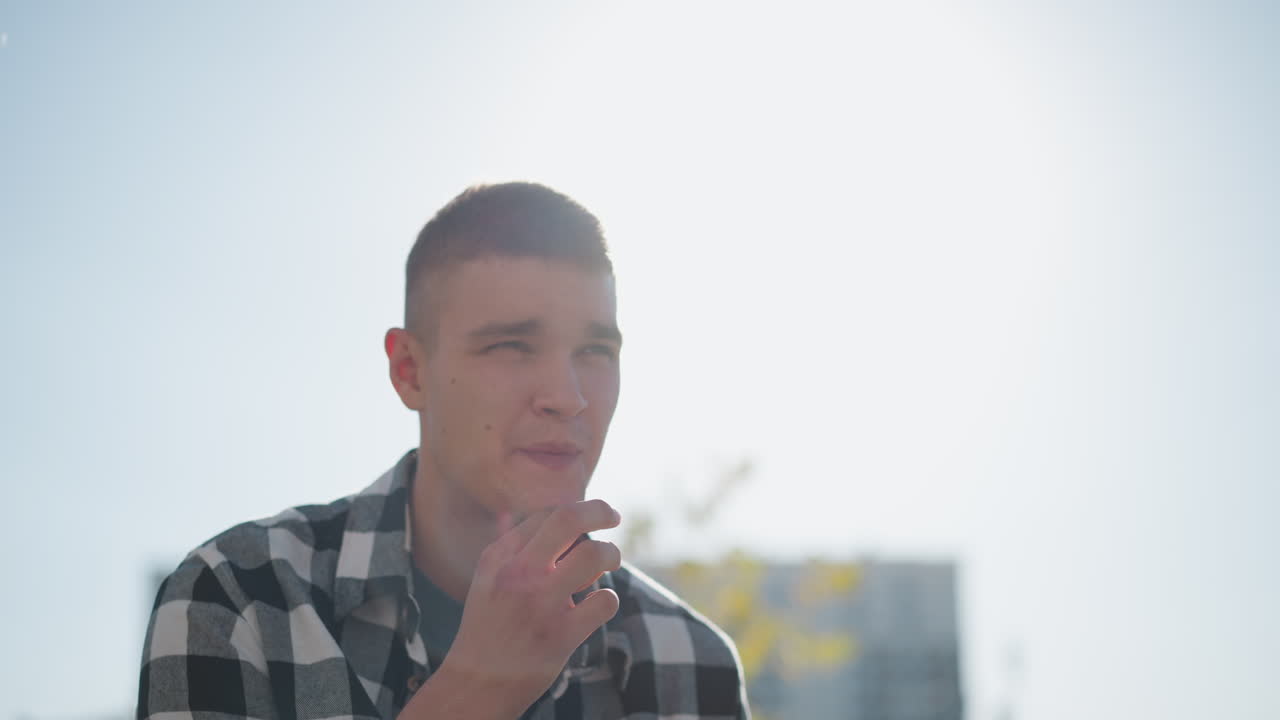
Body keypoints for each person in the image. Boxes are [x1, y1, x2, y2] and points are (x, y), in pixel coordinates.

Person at [137, 182, 750, 720]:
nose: (568, 397)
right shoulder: (240, 600)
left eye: (596, 351)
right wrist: (474, 693)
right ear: (410, 371)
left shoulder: (690, 662)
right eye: (511, 345)